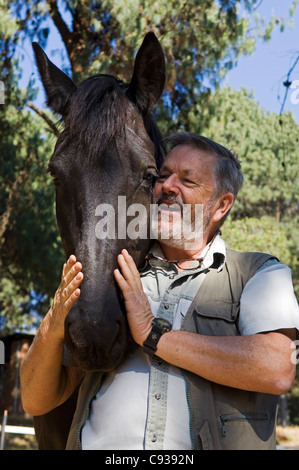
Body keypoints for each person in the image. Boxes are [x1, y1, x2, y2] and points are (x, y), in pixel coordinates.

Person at [20, 132, 299, 450]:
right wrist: (54, 318)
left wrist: (155, 336)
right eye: (161, 176)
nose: (167, 186)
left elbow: (277, 369)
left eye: (187, 180)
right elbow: (35, 401)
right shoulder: (110, 278)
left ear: (221, 206)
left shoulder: (258, 274)